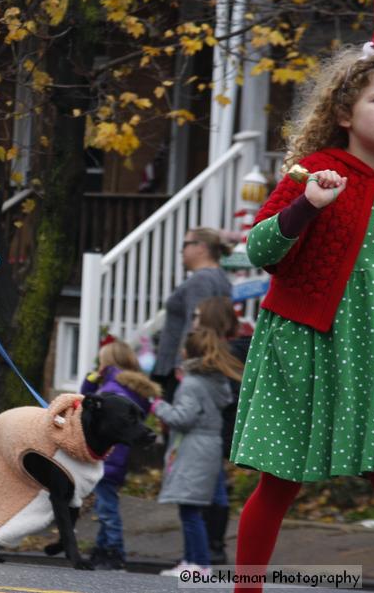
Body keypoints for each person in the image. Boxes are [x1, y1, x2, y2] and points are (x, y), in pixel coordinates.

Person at [231, 0, 374, 592]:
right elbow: (261, 250)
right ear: (346, 113)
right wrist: (307, 208)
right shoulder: (318, 172)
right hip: (306, 344)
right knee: (279, 483)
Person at [152, 328, 239, 579]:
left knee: (189, 511)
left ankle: (198, 564)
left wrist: (157, 405)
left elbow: (183, 418)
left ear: (189, 351)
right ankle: (191, 561)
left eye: (183, 347)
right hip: (209, 446)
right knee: (193, 509)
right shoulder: (216, 381)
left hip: (193, 448)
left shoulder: (191, 383)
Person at [79, 340, 161, 571]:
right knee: (105, 506)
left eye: (102, 359)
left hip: (108, 457)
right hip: (119, 457)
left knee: (106, 509)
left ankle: (115, 552)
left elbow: (85, 406)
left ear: (109, 362)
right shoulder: (128, 388)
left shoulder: (111, 390)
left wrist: (90, 381)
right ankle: (102, 549)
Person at [192, 296, 248, 564]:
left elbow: (225, 396)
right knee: (214, 486)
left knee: (211, 489)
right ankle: (212, 545)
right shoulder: (232, 353)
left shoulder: (222, 356)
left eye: (197, 316)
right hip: (217, 432)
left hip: (212, 432)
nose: (193, 322)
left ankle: (211, 547)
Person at [151, 227, 233, 401]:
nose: (182, 250)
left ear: (201, 247)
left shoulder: (201, 279)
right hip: (202, 365)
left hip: (180, 369)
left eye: (185, 244)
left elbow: (195, 323)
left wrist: (183, 364)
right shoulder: (220, 277)